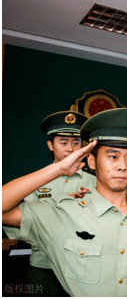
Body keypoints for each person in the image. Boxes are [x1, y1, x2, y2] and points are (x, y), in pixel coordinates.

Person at [2, 108, 127, 296]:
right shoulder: (64, 212)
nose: (123, 166)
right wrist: (59, 169)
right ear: (91, 160)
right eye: (113, 157)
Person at [3, 110, 96, 297]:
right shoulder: (35, 183)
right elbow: (27, 221)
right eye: (63, 142)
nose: (70, 148)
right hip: (44, 264)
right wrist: (61, 204)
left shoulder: (95, 181)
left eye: (76, 142)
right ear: (50, 145)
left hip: (84, 264)